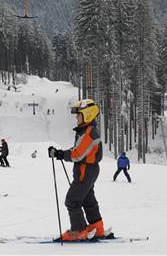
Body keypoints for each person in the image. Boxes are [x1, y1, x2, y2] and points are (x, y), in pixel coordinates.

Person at [48, 99, 104, 241]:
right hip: (87, 170)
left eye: (78, 116)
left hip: (86, 171)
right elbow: (78, 151)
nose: (76, 118)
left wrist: (60, 154)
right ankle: (96, 227)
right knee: (87, 198)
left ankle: (79, 231)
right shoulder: (86, 131)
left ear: (88, 115)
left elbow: (78, 153)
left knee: (72, 201)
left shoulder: (89, 133)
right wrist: (60, 153)